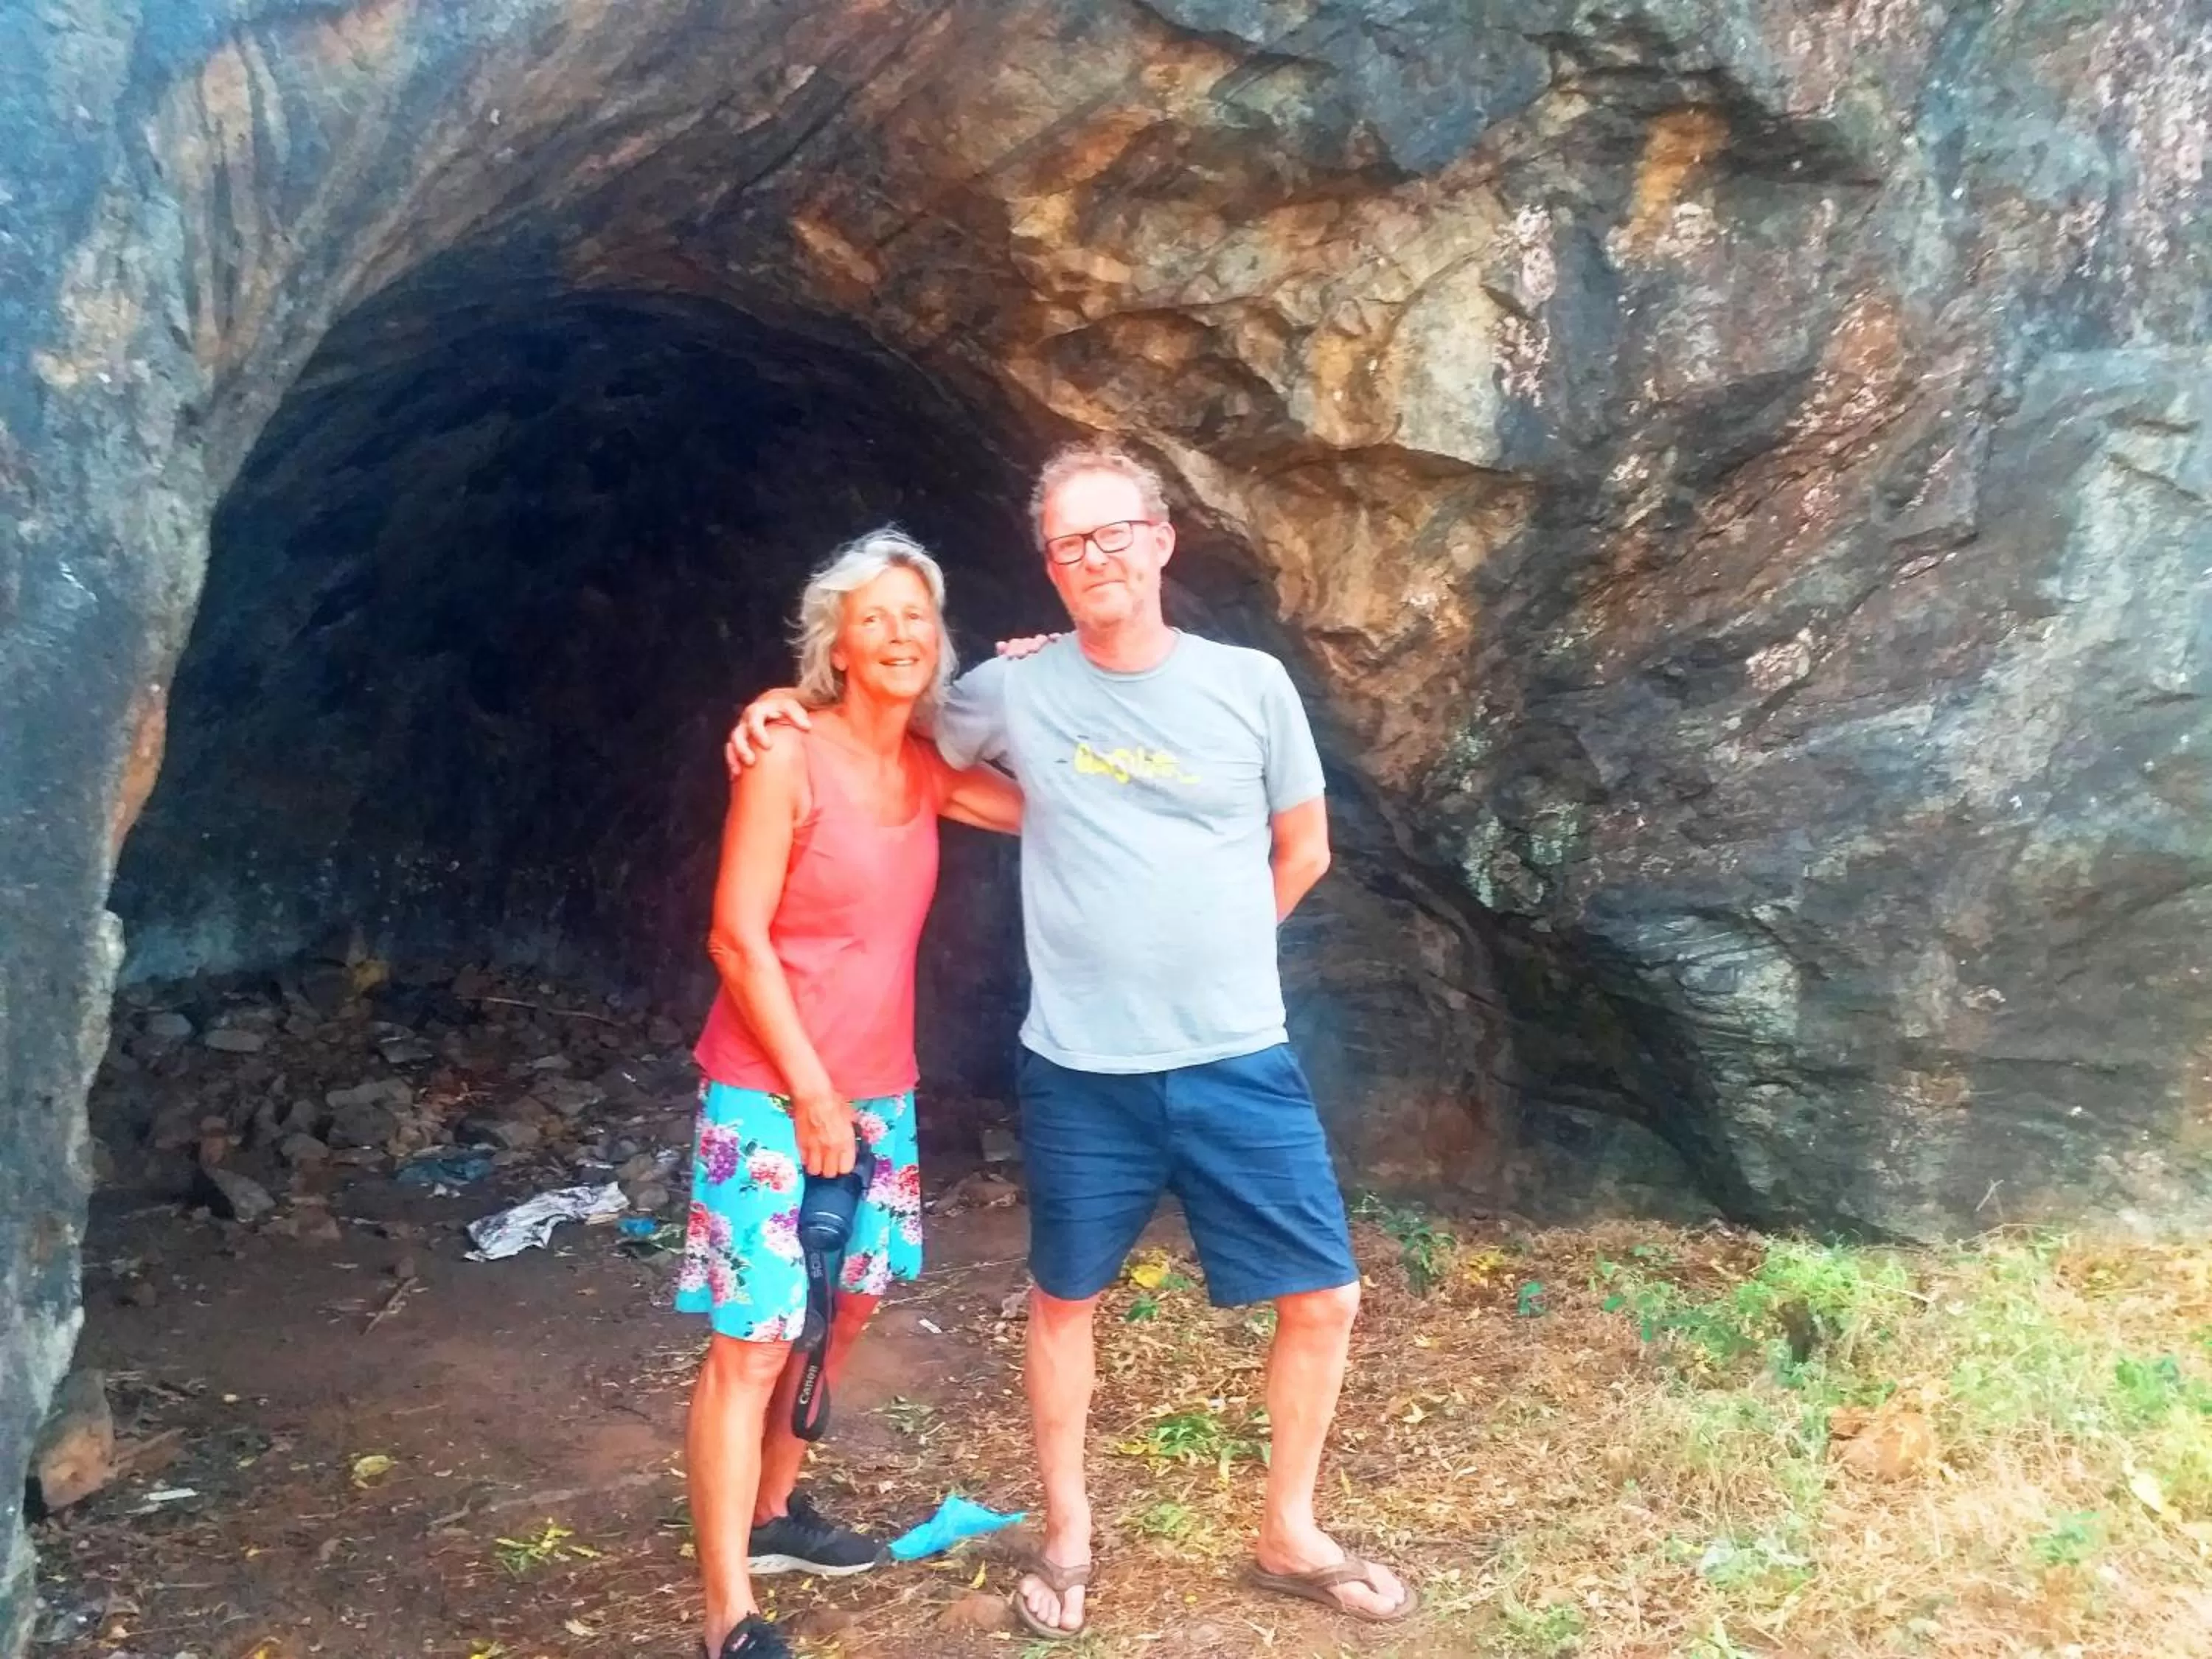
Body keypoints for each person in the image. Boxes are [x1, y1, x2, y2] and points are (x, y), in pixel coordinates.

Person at [726, 446, 1416, 1638]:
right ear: (1048, 565)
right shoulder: (1012, 691)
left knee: (1326, 1296)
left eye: (1112, 535)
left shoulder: (1249, 684)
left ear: (1160, 540)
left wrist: (1221, 945)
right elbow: (882, 715)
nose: (1093, 559)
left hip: (1235, 1049)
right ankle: (1068, 1536)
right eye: (1068, 544)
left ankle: (1289, 1526)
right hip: (1083, 1066)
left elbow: (1302, 846)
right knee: (1064, 1300)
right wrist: (777, 703)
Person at [682, 528, 1021, 1659]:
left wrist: (1051, 671)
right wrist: (814, 1094)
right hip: (771, 1090)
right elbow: (736, 939)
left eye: (915, 617)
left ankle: (775, 1511)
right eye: (873, 617)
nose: (898, 636)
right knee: (758, 1336)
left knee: (852, 1304)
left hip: (881, 1087)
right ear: (834, 641)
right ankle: (728, 1611)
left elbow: (1051, 804)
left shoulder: (923, 768)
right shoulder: (786, 753)